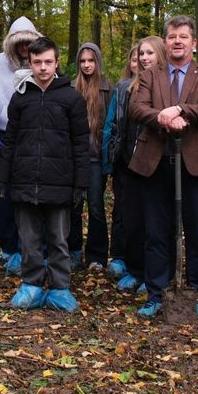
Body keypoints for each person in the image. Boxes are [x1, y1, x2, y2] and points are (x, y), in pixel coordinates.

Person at [129, 15, 198, 320]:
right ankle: (156, 292)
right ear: (166, 40)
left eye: (184, 36)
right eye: (172, 36)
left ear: (193, 43)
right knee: (156, 230)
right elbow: (137, 108)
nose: (178, 41)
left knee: (196, 230)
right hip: (155, 164)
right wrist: (163, 118)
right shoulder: (150, 75)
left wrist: (181, 110)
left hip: (195, 165)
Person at [0, 37, 89, 312]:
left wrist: (80, 184)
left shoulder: (71, 98)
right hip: (25, 181)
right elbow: (10, 140)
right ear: (30, 63)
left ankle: (60, 288)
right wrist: (3, 178)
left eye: (48, 62)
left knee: (58, 240)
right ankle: (32, 285)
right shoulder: (21, 97)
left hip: (60, 182)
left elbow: (81, 144)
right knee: (29, 239)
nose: (43, 67)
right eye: (37, 62)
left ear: (57, 63)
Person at [0, 16, 43, 275]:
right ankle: (9, 249)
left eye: (29, 43)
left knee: (27, 197)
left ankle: (28, 248)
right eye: (21, 43)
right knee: (0, 196)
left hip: (31, 141)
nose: (25, 48)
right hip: (1, 138)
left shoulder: (41, 63)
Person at [103, 36, 167, 292]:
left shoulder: (168, 87)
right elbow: (117, 125)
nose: (144, 58)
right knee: (131, 219)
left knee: (156, 223)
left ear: (160, 55)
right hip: (127, 163)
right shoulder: (125, 88)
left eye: (150, 53)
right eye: (141, 53)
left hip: (156, 164)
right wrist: (112, 158)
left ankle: (156, 274)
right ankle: (134, 269)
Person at [69, 43, 112, 271]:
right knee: (73, 206)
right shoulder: (69, 88)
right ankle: (73, 252)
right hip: (74, 159)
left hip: (96, 159)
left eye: (91, 61)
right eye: (83, 61)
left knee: (95, 206)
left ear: (97, 62)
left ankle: (97, 256)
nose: (87, 65)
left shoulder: (108, 89)